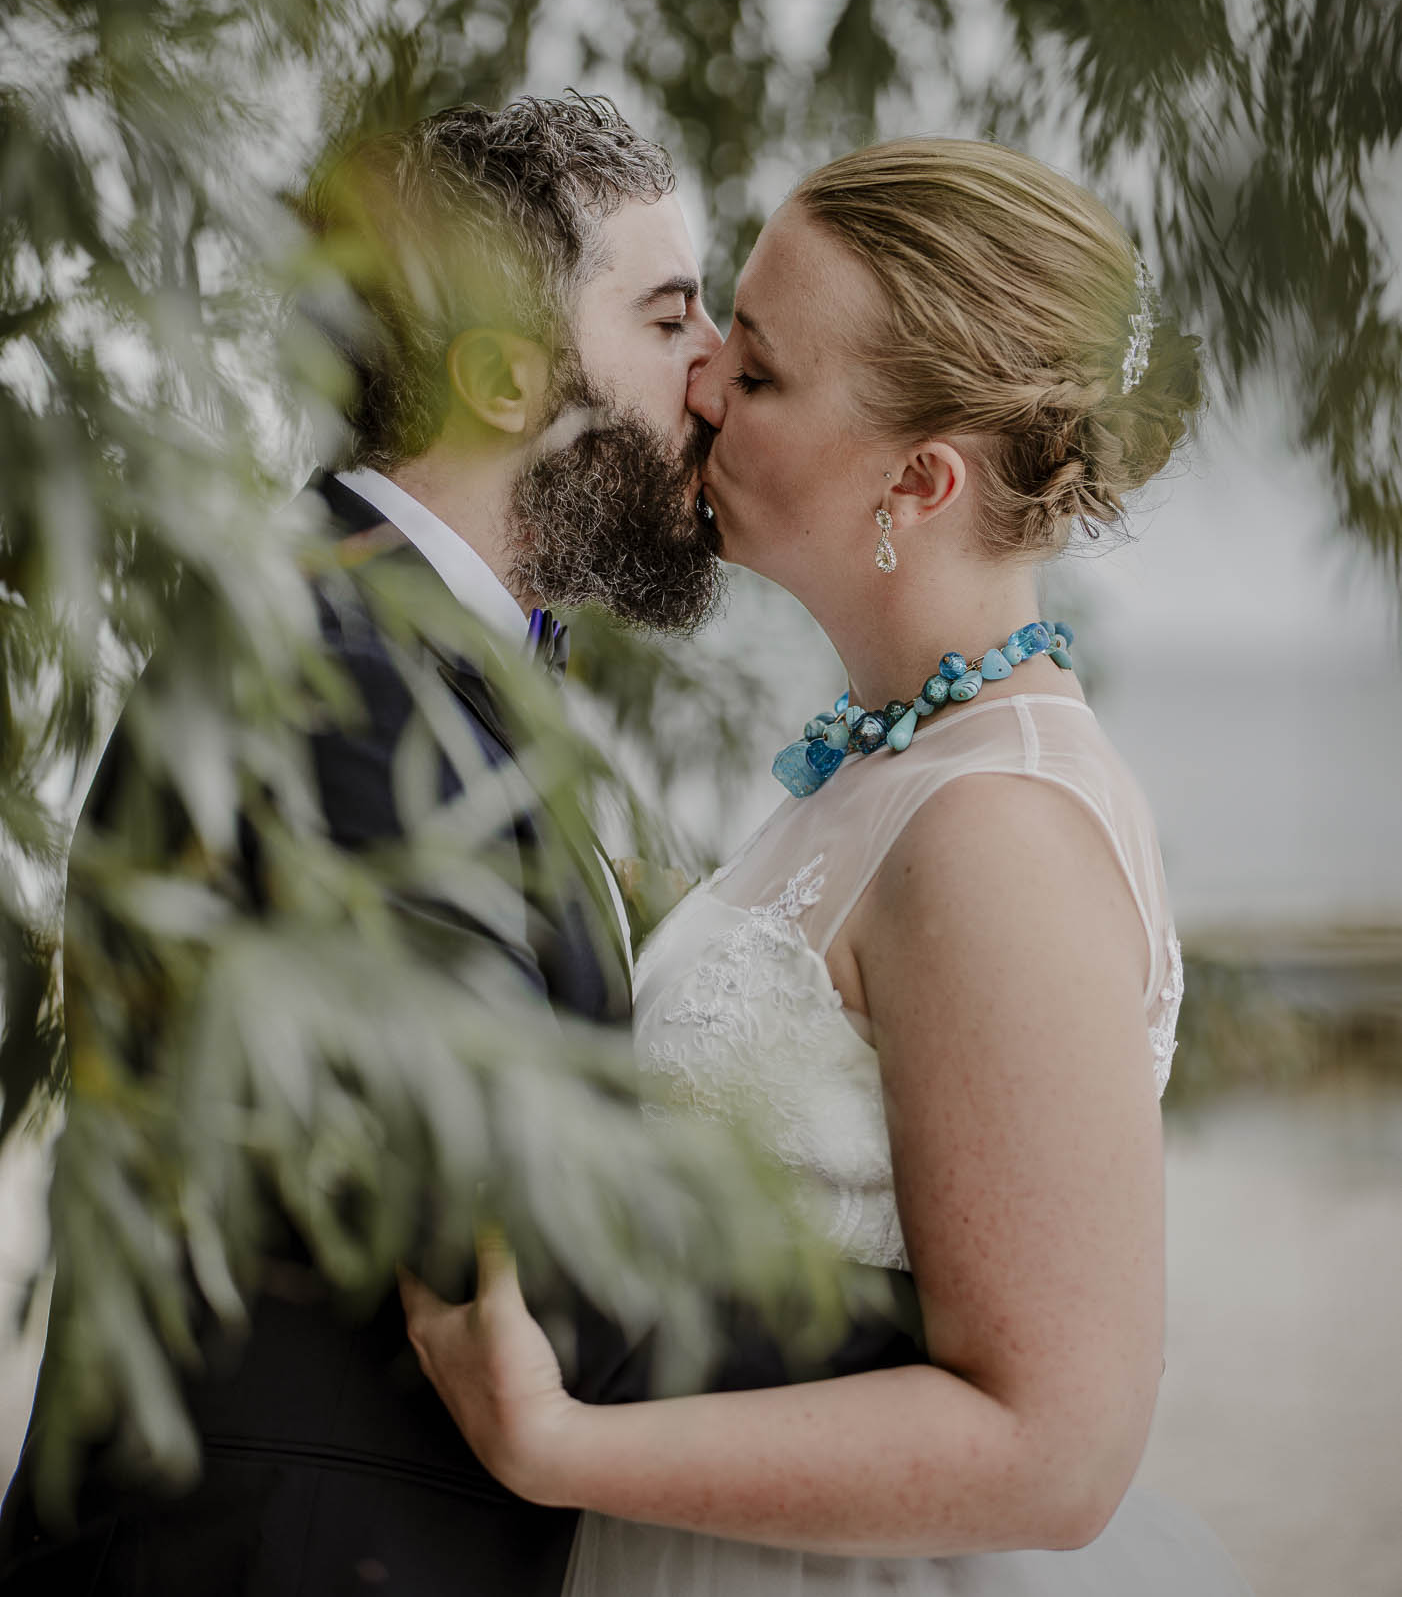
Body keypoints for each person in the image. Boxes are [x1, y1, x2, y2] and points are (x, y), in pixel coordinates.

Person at [0, 98, 925, 1597]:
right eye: (670, 317)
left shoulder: (391, 648)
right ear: (506, 376)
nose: (716, 377)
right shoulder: (342, 680)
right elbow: (535, 1242)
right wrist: (945, 1347)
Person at [400, 136, 1256, 1594]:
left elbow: (1056, 1449)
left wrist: (551, 1444)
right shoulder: (888, 771)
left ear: (917, 483)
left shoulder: (999, 830)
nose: (704, 382)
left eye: (766, 372)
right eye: (718, 330)